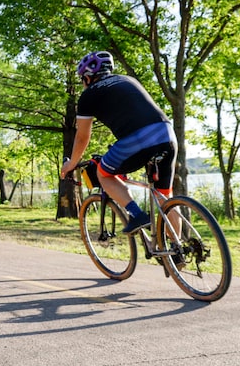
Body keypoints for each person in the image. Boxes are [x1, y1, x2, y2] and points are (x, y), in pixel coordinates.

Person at [60, 50, 178, 234]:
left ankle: (136, 214)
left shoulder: (89, 95)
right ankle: (177, 254)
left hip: (137, 139)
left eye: (82, 79)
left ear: (88, 78)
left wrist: (72, 163)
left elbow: (82, 136)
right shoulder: (129, 80)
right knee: (165, 196)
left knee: (103, 173)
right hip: (166, 133)